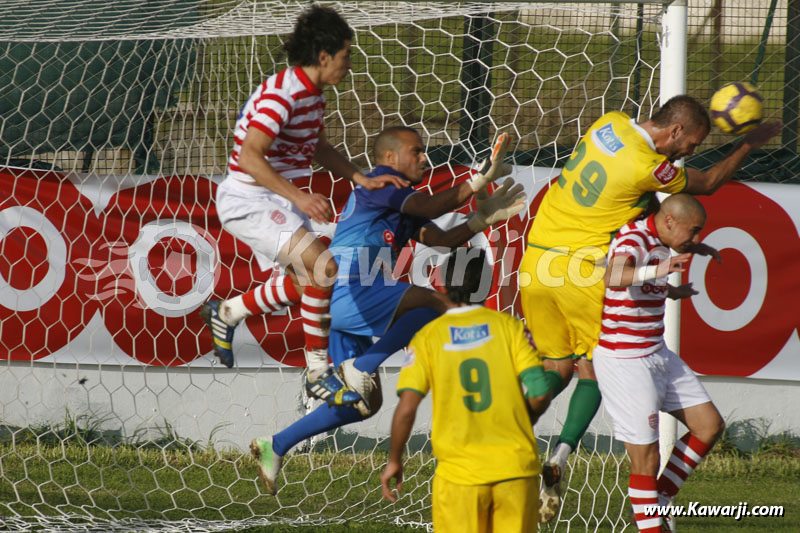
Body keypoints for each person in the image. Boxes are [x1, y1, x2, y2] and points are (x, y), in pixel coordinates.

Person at [517, 95, 780, 522]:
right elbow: (709, 183)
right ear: (675, 131)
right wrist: (751, 143)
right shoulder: (646, 166)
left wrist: (681, 239)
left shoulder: (610, 122)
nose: (689, 153)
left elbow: (650, 208)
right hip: (580, 269)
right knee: (596, 368)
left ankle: (506, 442)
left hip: (535, 261)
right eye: (691, 144)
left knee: (556, 367)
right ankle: (561, 458)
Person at [249, 125, 526, 495]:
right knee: (438, 304)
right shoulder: (382, 183)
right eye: (418, 151)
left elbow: (441, 241)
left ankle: (276, 444)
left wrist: (480, 221)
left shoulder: (400, 199)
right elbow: (431, 206)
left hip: (348, 300)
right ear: (390, 158)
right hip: (348, 286)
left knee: (362, 405)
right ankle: (361, 366)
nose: (425, 159)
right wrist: (476, 181)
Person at [200, 5, 409, 406]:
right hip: (250, 199)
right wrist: (300, 197)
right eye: (346, 55)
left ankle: (229, 311)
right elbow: (248, 157)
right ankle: (317, 371)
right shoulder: (284, 93)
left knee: (307, 282)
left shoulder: (312, 96)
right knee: (324, 267)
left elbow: (317, 148)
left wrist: (361, 178)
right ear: (324, 56)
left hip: (276, 200)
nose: (349, 65)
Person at [380, 249, 552, 533]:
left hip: (459, 478)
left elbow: (407, 408)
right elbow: (541, 391)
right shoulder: (510, 328)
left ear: (444, 286)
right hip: (515, 470)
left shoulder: (427, 337)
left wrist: (395, 460)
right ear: (488, 285)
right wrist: (522, 422)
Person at [594, 194, 724, 532]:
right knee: (645, 460)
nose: (695, 239)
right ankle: (651, 525)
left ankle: (659, 502)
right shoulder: (633, 237)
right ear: (669, 221)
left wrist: (671, 289)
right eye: (693, 232)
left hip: (656, 352)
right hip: (626, 360)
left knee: (708, 426)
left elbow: (640, 283)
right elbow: (615, 276)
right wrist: (661, 269)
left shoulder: (660, 239)